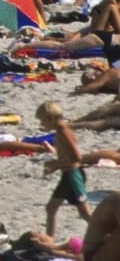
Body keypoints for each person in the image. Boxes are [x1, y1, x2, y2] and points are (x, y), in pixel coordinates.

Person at [39, 100, 91, 236]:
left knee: (85, 213)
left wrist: (55, 164)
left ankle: (108, 235)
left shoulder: (63, 132)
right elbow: (67, 157)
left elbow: (77, 158)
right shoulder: (60, 131)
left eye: (42, 120)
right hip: (67, 175)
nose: (41, 124)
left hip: (73, 176)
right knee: (51, 209)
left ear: (51, 118)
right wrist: (55, 166)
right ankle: (49, 240)